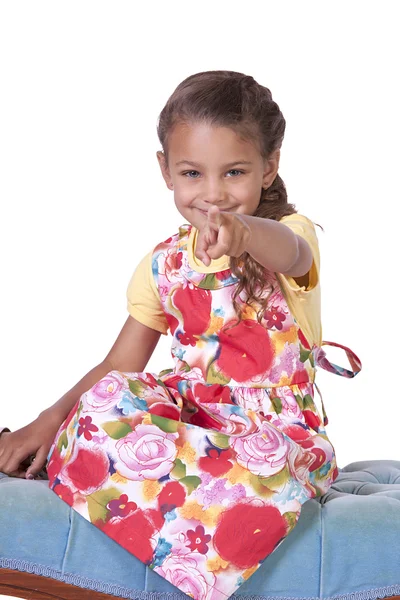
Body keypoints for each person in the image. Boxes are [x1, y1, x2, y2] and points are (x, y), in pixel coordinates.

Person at [0, 70, 361, 600]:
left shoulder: (289, 234)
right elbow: (119, 364)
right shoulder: (161, 265)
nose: (214, 194)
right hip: (190, 428)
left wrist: (246, 233)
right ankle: (180, 534)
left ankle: (201, 555)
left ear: (269, 168)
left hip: (269, 439)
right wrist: (48, 421)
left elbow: (291, 250)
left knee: (260, 470)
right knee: (106, 402)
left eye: (234, 172)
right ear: (165, 171)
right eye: (193, 173)